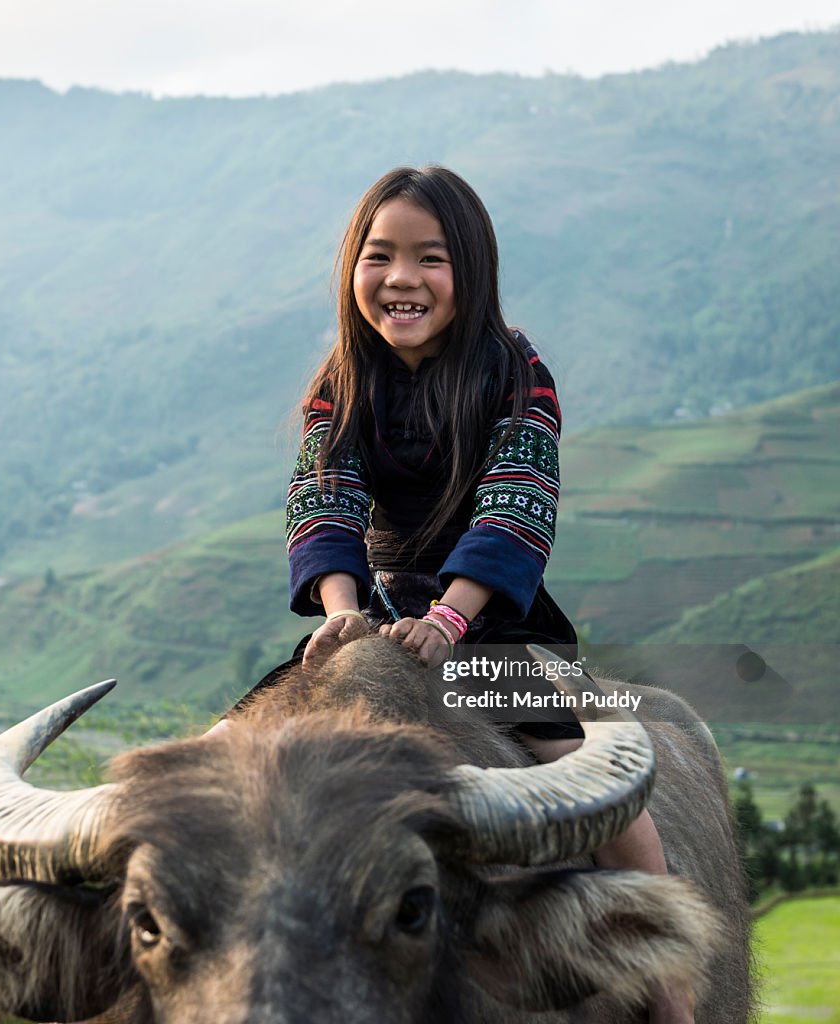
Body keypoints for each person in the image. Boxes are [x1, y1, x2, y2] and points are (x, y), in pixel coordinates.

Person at [280, 165, 693, 1024]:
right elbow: (324, 496)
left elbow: (517, 497)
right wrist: (341, 609)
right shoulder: (340, 381)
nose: (402, 278)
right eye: (379, 256)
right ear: (352, 268)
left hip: (492, 616)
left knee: (587, 778)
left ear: (471, 270)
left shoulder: (513, 370)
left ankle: (669, 985)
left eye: (430, 258)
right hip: (374, 619)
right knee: (231, 748)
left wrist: (452, 616)